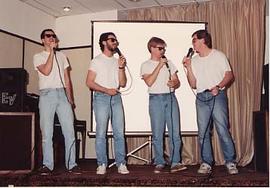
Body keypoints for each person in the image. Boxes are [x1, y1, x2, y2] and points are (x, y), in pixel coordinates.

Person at [182, 29, 238, 175]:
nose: (192, 44)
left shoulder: (218, 55)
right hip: (201, 97)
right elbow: (193, 84)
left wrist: (218, 86)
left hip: (217, 95)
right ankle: (206, 163)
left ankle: (230, 162)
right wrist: (188, 68)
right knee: (203, 132)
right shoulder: (193, 60)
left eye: (194, 40)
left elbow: (229, 74)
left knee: (222, 129)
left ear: (203, 40)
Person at [33, 29, 80, 175]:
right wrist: (52, 53)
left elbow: (66, 78)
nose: (52, 38)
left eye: (53, 36)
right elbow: (46, 71)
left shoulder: (62, 56)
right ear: (43, 40)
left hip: (62, 94)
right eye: (48, 36)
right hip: (47, 94)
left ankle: (71, 164)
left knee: (69, 131)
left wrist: (70, 97)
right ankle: (48, 165)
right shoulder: (38, 56)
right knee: (47, 132)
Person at [140, 37, 187, 173]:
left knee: (175, 132)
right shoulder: (146, 64)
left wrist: (174, 83)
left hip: (170, 98)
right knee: (157, 132)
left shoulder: (169, 63)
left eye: (164, 49)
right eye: (160, 48)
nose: (163, 51)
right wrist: (159, 65)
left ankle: (175, 162)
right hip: (156, 99)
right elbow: (149, 82)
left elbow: (176, 81)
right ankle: (159, 161)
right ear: (152, 48)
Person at [86, 32, 129, 175]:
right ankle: (102, 164)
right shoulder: (96, 61)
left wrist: (121, 67)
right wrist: (106, 90)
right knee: (101, 133)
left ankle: (121, 163)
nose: (115, 42)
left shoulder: (117, 61)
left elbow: (122, 83)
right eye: (112, 40)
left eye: (116, 40)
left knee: (119, 132)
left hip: (116, 98)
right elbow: (89, 82)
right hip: (101, 97)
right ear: (104, 42)